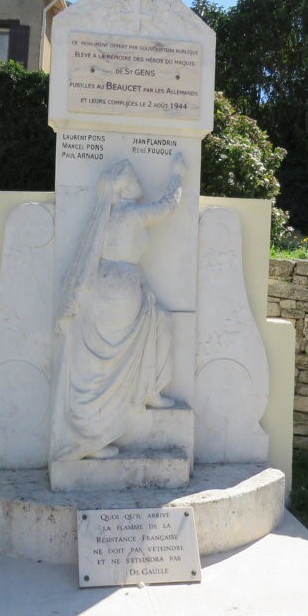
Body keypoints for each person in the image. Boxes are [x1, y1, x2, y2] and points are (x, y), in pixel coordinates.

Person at [49, 155, 184, 463]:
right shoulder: (129, 214)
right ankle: (102, 431)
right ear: (122, 190)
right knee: (127, 351)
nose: (139, 183)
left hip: (109, 285)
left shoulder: (108, 216)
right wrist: (178, 176)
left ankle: (147, 391)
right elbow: (168, 206)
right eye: (134, 180)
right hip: (121, 287)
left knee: (145, 332)